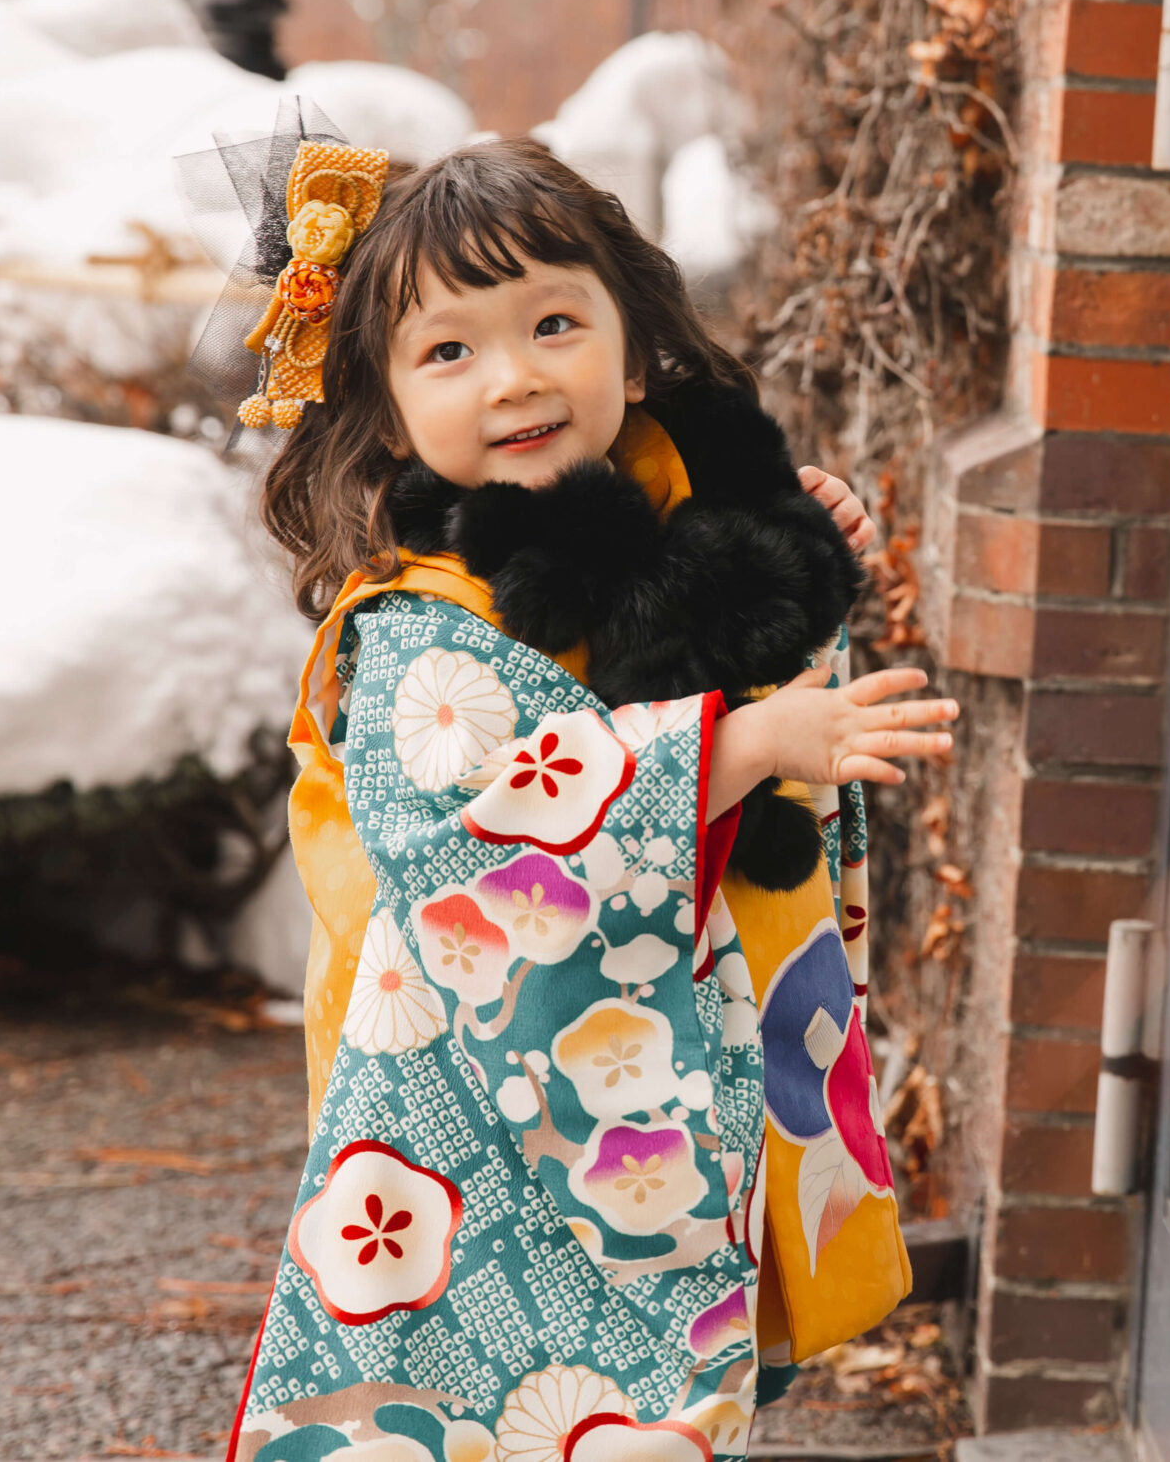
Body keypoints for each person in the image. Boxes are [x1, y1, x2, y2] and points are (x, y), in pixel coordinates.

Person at [215, 132, 952, 1462]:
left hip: (631, 1083)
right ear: (383, 407)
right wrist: (746, 735)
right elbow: (491, 849)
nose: (516, 377)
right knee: (502, 1419)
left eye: (555, 321)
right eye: (450, 351)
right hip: (472, 1126)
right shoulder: (417, 631)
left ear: (634, 339)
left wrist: (794, 590)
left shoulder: (656, 527)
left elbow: (747, 739)